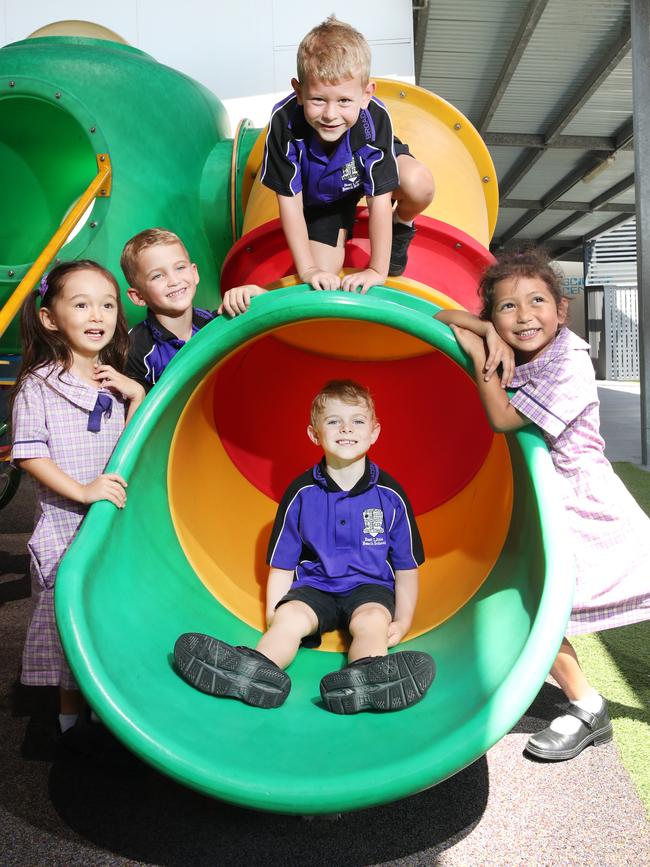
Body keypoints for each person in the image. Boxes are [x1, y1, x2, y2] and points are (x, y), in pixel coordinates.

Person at [435, 247, 650, 761]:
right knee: (540, 609)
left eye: (537, 301)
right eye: (506, 308)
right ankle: (586, 706)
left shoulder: (569, 359)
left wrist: (479, 359)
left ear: (561, 310)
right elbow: (441, 314)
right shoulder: (510, 342)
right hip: (543, 506)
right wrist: (483, 332)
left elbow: (505, 420)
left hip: (587, 505)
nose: (524, 316)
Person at [174, 379, 435, 713]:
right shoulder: (301, 493)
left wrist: (404, 619)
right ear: (314, 434)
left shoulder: (390, 495)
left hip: (369, 587)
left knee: (372, 621)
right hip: (317, 585)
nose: (346, 429)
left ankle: (368, 676)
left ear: (374, 432)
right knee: (290, 620)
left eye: (357, 421)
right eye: (333, 421)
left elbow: (406, 566)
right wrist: (275, 612)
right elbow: (282, 563)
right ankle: (255, 668)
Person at [11, 260, 146, 737]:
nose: (98, 314)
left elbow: (130, 456)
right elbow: (30, 455)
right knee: (64, 620)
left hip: (109, 526)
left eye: (107, 304)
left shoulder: (113, 381)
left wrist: (136, 401)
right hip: (67, 526)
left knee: (102, 615)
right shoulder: (40, 384)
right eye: (82, 303)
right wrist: (85, 490)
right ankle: (68, 727)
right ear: (51, 318)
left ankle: (99, 712)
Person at [260, 16, 435, 294]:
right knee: (322, 279)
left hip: (361, 170)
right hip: (322, 201)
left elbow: (379, 199)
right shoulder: (285, 123)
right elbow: (290, 204)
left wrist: (377, 269)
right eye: (318, 99)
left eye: (344, 100)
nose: (330, 114)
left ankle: (402, 225)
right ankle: (333, 238)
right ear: (299, 91)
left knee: (419, 183)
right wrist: (308, 269)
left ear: (366, 94)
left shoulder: (374, 119)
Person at [121, 228, 266, 391]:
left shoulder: (216, 322)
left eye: (180, 267)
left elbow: (277, 324)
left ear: (194, 273)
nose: (174, 280)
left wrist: (256, 294)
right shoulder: (135, 348)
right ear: (138, 296)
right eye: (157, 276)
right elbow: (139, 410)